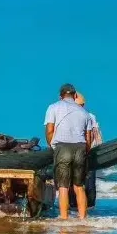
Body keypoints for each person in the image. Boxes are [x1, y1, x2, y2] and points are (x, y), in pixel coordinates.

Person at [44, 83, 95, 220]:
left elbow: (49, 131)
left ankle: (64, 218)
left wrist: (53, 146)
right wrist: (85, 151)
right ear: (75, 95)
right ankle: (83, 218)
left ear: (60, 96)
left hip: (62, 147)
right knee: (79, 186)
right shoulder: (84, 113)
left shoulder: (53, 107)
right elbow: (89, 137)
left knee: (63, 186)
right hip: (80, 147)